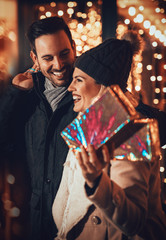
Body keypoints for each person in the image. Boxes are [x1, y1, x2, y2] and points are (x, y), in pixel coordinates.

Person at [52, 33, 166, 240]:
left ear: (104, 86)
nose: (70, 87)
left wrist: (97, 183)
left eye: (79, 80)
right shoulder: (85, 127)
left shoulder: (132, 133)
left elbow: (133, 221)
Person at [0, 16, 77, 240]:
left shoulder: (90, 91)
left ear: (74, 47)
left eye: (64, 53)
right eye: (48, 58)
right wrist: (15, 93)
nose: (59, 65)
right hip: (38, 222)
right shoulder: (28, 96)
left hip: (78, 224)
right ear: (34, 58)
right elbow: (4, 142)